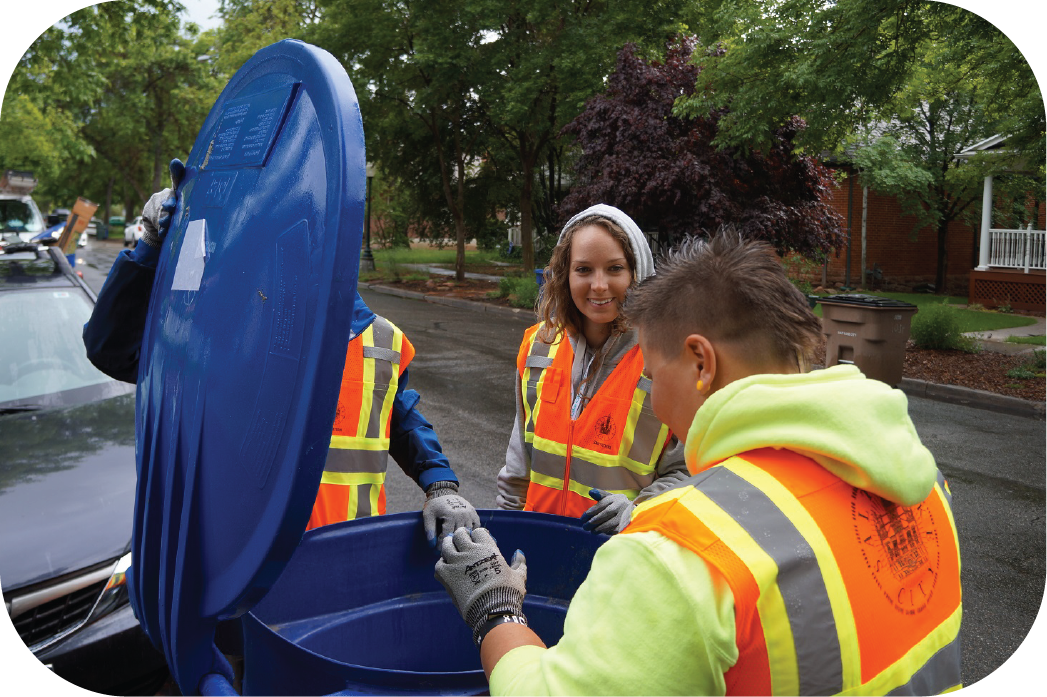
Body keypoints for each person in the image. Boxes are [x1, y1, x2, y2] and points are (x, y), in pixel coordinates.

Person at [436, 231, 962, 696]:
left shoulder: (679, 551)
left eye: (651, 374)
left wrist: (495, 609)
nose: (653, 400)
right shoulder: (923, 484)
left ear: (701, 362)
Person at [83, 160, 479, 542]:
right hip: (242, 574)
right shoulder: (222, 328)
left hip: (346, 559)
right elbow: (112, 349)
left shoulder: (380, 339)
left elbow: (398, 416)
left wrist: (440, 485)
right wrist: (151, 245)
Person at [496, 204, 688, 535]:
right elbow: (518, 466)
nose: (599, 286)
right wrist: (502, 533)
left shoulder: (668, 358)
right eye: (583, 269)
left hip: (620, 564)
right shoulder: (538, 346)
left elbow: (690, 472)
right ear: (564, 274)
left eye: (615, 269)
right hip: (539, 550)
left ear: (637, 274)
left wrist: (638, 511)